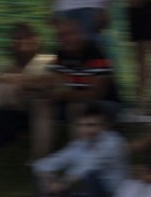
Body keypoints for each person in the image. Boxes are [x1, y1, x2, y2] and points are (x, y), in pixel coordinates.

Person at [0, 23, 54, 154]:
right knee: (6, 89)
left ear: (36, 39)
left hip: (41, 107)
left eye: (27, 37)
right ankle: (0, 132)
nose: (23, 41)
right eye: (18, 38)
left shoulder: (48, 60)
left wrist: (20, 82)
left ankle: (0, 133)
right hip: (15, 108)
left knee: (14, 90)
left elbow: (47, 83)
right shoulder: (9, 66)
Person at [45, 15, 118, 147]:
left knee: (76, 107)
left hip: (104, 105)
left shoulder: (95, 54)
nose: (65, 39)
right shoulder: (59, 55)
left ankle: (79, 156)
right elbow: (49, 81)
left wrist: (62, 95)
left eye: (69, 34)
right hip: (70, 102)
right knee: (41, 104)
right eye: (61, 35)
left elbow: (96, 94)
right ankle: (39, 158)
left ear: (80, 34)